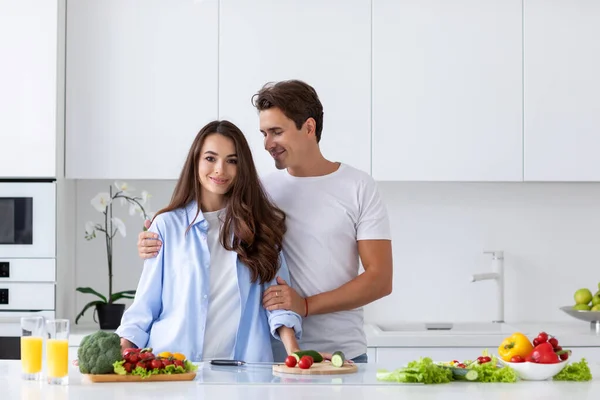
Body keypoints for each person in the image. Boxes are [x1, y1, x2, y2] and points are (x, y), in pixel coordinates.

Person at [137, 80, 393, 363]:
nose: (267, 143)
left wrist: (305, 305)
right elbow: (204, 219)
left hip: (342, 350)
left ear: (309, 128)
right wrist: (156, 237)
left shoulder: (358, 187)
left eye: (276, 132)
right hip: (274, 355)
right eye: (263, 133)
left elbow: (380, 279)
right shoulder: (260, 192)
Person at [116, 120, 302, 363]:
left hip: (244, 372)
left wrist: (295, 352)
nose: (220, 170)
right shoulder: (166, 226)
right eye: (211, 158)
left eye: (232, 161)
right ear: (196, 161)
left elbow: (278, 301)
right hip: (175, 369)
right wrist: (120, 351)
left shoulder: (261, 228)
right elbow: (144, 306)